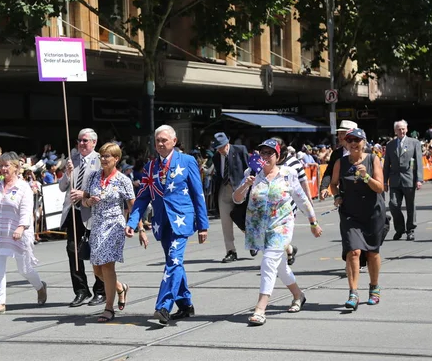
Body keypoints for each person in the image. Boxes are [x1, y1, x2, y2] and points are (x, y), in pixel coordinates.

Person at [125, 125, 209, 326]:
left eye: (164, 140)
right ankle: (185, 304)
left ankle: (163, 306)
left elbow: (198, 194)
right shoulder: (150, 167)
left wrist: (203, 224)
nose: (161, 144)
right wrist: (132, 221)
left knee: (173, 260)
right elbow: (143, 197)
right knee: (175, 263)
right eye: (158, 141)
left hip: (181, 219)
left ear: (174, 141)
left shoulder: (187, 161)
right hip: (162, 222)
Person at [233, 139, 322, 326]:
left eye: (269, 153)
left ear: (278, 156)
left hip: (282, 225)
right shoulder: (251, 173)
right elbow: (237, 199)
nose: (264, 157)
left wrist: (313, 221)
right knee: (280, 266)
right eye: (261, 153)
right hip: (260, 227)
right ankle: (299, 295)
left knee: (268, 263)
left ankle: (260, 308)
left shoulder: (287, 174)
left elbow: (301, 198)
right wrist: (245, 185)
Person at [330, 128, 385, 310]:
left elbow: (379, 188)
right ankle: (353, 292)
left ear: (364, 142)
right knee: (353, 252)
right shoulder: (341, 162)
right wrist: (337, 196)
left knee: (372, 252)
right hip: (350, 213)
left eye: (357, 140)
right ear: (345, 143)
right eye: (350, 140)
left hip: (372, 212)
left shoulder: (373, 159)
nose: (353, 143)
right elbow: (333, 184)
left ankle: (374, 287)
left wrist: (366, 176)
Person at [0, 152, 47, 316]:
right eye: (0, 165)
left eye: (6, 165)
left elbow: (27, 210)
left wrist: (21, 227)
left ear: (16, 168)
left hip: (19, 231)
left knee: (24, 269)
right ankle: (0, 303)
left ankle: (40, 287)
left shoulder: (23, 187)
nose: (3, 169)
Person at [82, 143, 135, 322]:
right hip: (97, 225)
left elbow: (132, 205)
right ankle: (120, 288)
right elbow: (84, 200)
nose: (103, 159)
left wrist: (137, 226)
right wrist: (89, 201)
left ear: (116, 159)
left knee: (107, 266)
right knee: (97, 270)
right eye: (102, 156)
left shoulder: (123, 180)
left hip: (114, 226)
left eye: (107, 156)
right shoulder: (93, 177)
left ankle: (108, 308)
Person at [59, 128, 106, 307]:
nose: (81, 143)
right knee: (73, 251)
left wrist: (84, 194)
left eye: (85, 140)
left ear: (94, 142)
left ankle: (100, 290)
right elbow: (62, 187)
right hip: (74, 212)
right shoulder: (72, 160)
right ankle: (80, 290)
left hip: (93, 213)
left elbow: (103, 186)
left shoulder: (100, 161)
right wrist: (67, 174)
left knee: (95, 252)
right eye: (79, 140)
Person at [274, 137, 314, 265]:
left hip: (289, 204)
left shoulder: (294, 163)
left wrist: (309, 201)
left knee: (281, 235)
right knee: (276, 236)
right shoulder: (266, 162)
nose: (268, 154)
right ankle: (289, 250)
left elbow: (303, 182)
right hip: (271, 206)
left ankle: (278, 265)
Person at [383, 120, 423, 241]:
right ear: (395, 131)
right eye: (399, 129)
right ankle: (399, 229)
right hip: (394, 180)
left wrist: (419, 179)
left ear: (407, 129)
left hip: (409, 179)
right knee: (394, 205)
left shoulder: (414, 143)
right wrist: (385, 181)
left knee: (410, 205)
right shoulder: (390, 145)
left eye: (403, 129)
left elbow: (418, 162)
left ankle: (410, 229)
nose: (401, 131)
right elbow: (386, 165)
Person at [212, 132, 249, 263]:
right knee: (225, 222)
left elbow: (248, 168)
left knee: (243, 218)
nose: (220, 150)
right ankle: (230, 250)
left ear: (228, 143)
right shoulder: (216, 157)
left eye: (222, 147)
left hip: (240, 189)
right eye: (218, 148)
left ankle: (252, 241)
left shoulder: (240, 150)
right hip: (224, 189)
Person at [319, 120, 358, 200]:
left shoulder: (366, 152)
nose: (339, 136)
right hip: (345, 194)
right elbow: (329, 172)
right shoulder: (336, 154)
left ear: (351, 135)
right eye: (339, 134)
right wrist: (324, 187)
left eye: (342, 133)